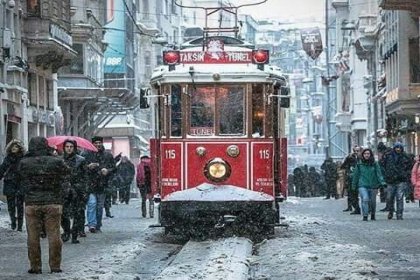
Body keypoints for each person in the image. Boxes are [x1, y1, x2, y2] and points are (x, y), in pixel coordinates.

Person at [17, 137, 69, 274]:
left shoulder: (24, 162)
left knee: (32, 237)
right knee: (54, 236)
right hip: (53, 202)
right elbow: (67, 173)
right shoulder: (56, 161)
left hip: (32, 203)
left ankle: (35, 266)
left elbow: (19, 179)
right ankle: (55, 266)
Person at [82, 136, 116, 232]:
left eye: (99, 143)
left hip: (102, 184)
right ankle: (92, 224)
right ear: (92, 144)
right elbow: (81, 168)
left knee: (100, 206)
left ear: (102, 143)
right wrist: (88, 167)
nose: (98, 145)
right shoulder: (86, 154)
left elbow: (114, 168)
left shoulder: (107, 155)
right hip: (90, 184)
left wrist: (107, 171)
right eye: (95, 143)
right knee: (92, 203)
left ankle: (98, 224)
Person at [61, 139, 87, 244]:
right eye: (67, 146)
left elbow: (85, 176)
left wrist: (83, 188)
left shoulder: (81, 160)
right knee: (63, 213)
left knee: (77, 213)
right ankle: (67, 231)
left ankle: (75, 234)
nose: (69, 149)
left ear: (74, 148)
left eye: (71, 147)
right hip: (64, 190)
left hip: (77, 189)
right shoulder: (60, 160)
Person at [352, 148, 386, 221]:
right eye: (365, 154)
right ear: (363, 155)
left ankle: (373, 214)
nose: (366, 155)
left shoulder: (375, 164)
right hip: (362, 185)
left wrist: (382, 182)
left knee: (373, 202)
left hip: (373, 185)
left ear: (370, 155)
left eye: (368, 154)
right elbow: (356, 175)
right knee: (365, 199)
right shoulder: (359, 164)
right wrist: (354, 185)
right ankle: (365, 215)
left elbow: (379, 174)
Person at [382, 142, 413, 220]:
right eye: (396, 147)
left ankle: (399, 214)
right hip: (390, 180)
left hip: (401, 180)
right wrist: (386, 175)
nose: (398, 149)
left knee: (399, 198)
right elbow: (383, 166)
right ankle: (391, 211)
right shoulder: (388, 156)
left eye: (399, 147)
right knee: (389, 198)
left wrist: (405, 175)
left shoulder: (405, 157)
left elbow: (410, 167)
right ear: (394, 148)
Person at [0, 139, 26, 231]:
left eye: (16, 147)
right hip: (9, 182)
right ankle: (13, 221)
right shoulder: (7, 158)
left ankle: (19, 225)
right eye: (13, 146)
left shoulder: (23, 158)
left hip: (20, 183)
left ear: (20, 149)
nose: (14, 148)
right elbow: (2, 169)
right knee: (11, 206)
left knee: (20, 205)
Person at [341, 146, 362, 214]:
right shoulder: (350, 159)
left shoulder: (363, 158)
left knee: (365, 196)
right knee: (352, 195)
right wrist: (347, 158)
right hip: (351, 179)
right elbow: (343, 166)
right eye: (355, 151)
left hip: (362, 179)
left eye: (358, 151)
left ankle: (368, 209)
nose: (356, 152)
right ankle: (356, 208)